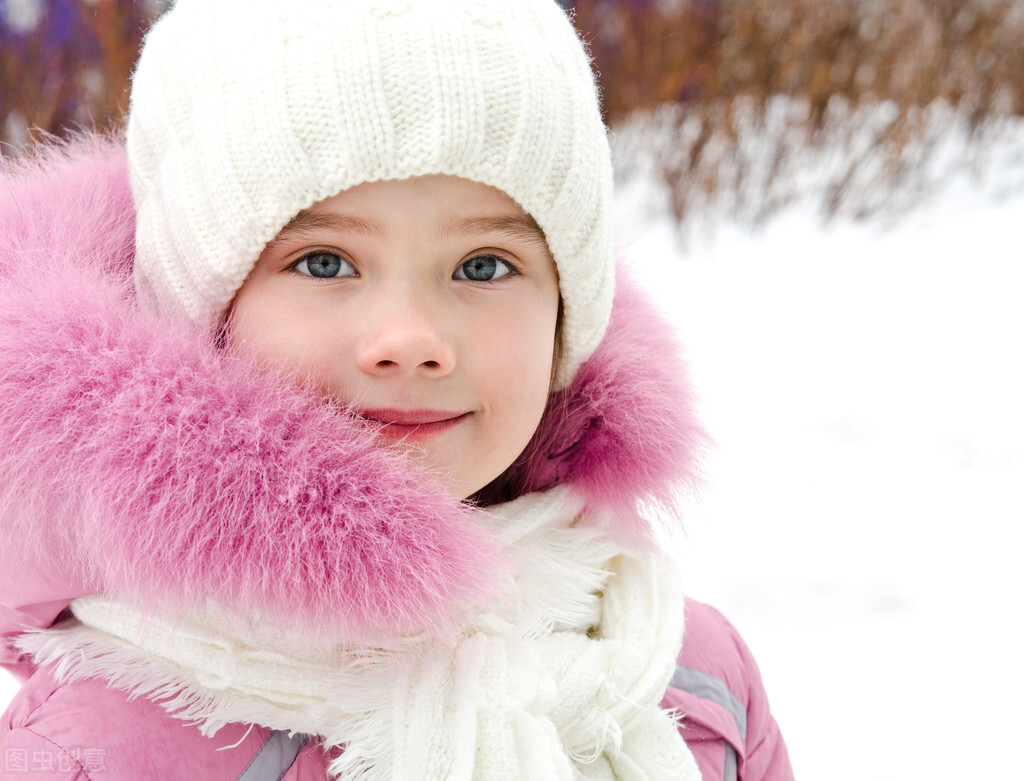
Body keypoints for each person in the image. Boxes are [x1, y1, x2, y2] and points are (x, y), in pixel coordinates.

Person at [0, 0, 793, 778]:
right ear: (198, 313)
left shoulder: (691, 684)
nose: (411, 339)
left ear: (566, 318)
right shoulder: (104, 747)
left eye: (483, 265)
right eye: (325, 262)